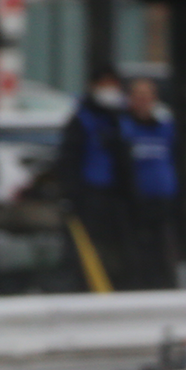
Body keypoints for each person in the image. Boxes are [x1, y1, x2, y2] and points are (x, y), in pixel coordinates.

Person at [58, 66, 129, 289]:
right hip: (89, 197)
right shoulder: (82, 119)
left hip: (115, 197)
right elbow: (69, 159)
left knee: (117, 251)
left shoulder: (119, 118)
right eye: (104, 84)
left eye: (113, 84)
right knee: (87, 251)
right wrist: (71, 194)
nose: (110, 90)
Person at [118, 78, 180, 289]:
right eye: (138, 96)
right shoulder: (124, 129)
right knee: (137, 250)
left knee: (162, 249)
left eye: (147, 96)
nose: (143, 101)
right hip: (135, 202)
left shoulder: (165, 128)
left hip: (162, 199)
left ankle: (164, 285)